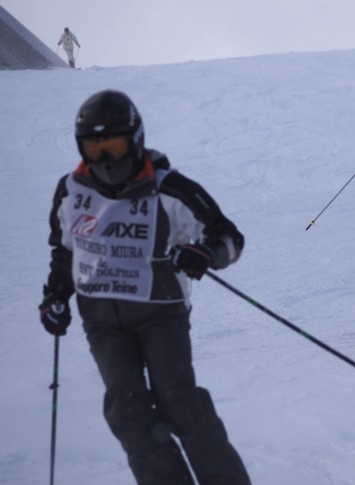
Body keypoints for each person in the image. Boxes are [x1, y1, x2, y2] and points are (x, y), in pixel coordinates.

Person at [39, 90, 251, 485]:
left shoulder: (169, 189)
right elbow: (65, 251)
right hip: (102, 320)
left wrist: (203, 253)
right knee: (127, 412)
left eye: (114, 146)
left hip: (160, 314)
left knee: (179, 402)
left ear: (135, 140)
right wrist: (55, 296)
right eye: (94, 148)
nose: (105, 159)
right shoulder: (71, 190)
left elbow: (229, 239)